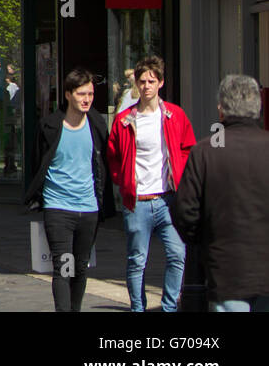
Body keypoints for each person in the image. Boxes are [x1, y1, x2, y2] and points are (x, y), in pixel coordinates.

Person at [105, 55, 194, 313]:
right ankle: (138, 308)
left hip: (168, 200)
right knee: (137, 260)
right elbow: (113, 155)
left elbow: (188, 147)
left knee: (177, 255)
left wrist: (179, 174)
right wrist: (122, 180)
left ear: (160, 83)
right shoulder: (124, 120)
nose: (146, 86)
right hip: (137, 201)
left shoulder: (174, 115)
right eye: (142, 81)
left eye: (151, 81)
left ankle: (168, 308)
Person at [174, 74, 269, 311]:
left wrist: (204, 241)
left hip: (225, 272)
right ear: (258, 108)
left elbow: (185, 211)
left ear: (221, 110)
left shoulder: (206, 151)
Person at [24, 68, 114, 312]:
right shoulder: (50, 125)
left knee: (81, 267)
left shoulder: (96, 123)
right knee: (64, 266)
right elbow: (37, 162)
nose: (87, 99)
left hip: (89, 208)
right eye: (81, 94)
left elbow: (103, 163)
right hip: (58, 207)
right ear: (68, 95)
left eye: (91, 94)